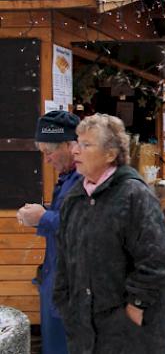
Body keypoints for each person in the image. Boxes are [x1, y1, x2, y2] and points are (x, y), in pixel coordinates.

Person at [54, 114, 165, 353]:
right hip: (85, 330)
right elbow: (64, 257)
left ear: (110, 154)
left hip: (129, 333)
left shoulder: (133, 196)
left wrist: (134, 309)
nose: (76, 151)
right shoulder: (75, 198)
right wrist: (65, 302)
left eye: (86, 145)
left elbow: (159, 261)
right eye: (76, 142)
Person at [16, 111, 81, 354]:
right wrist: (42, 213)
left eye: (49, 152)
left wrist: (44, 217)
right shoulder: (68, 177)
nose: (46, 160)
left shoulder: (85, 178)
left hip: (72, 284)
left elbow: (88, 226)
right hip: (58, 277)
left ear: (68, 145)